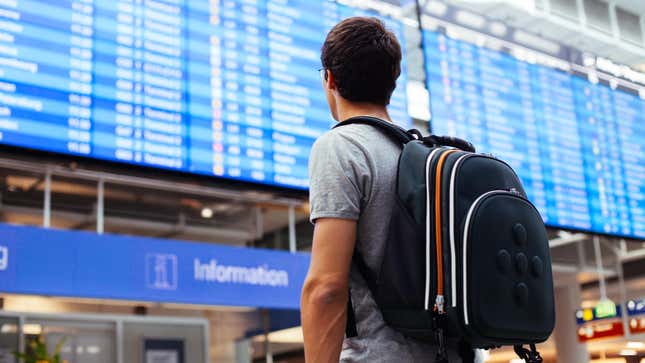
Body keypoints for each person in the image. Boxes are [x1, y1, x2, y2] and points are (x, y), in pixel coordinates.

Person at [300, 17, 467, 362]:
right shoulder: (425, 157)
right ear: (392, 82)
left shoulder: (341, 146)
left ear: (329, 78)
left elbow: (326, 288)